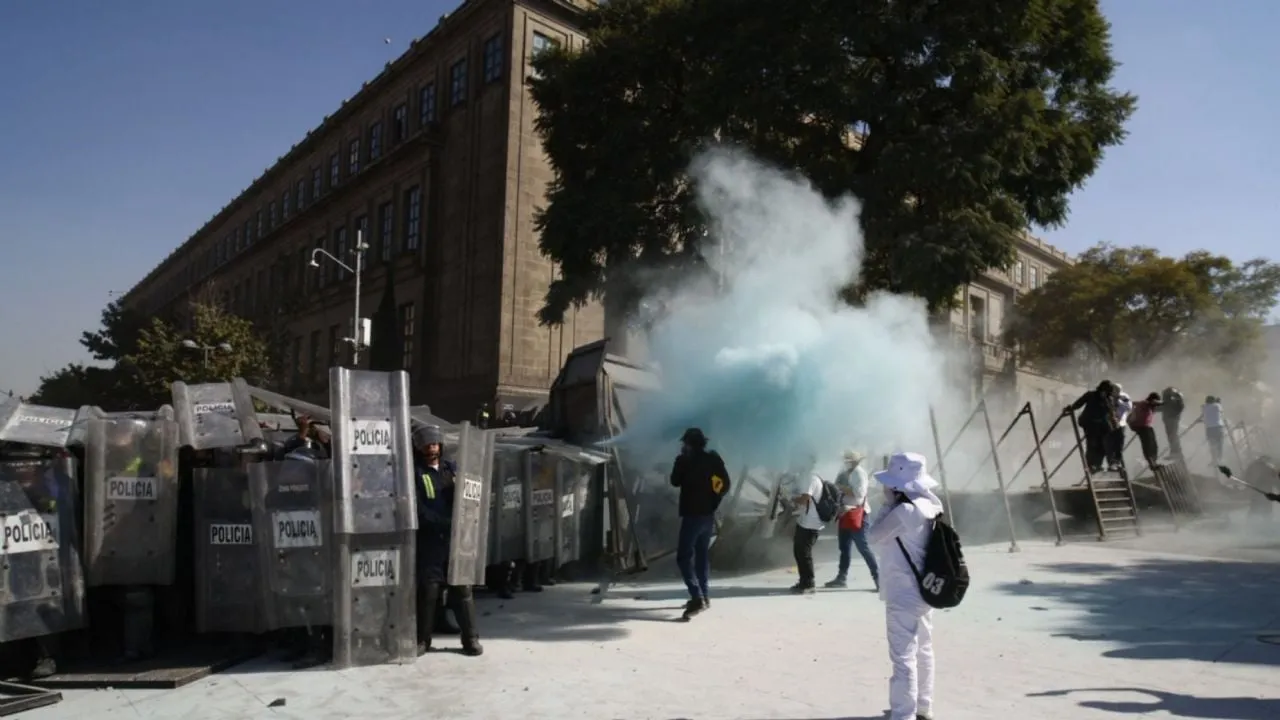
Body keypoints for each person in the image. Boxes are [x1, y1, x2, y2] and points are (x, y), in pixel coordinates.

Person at [866, 451, 944, 720]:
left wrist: (887, 506)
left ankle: (903, 714)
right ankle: (923, 706)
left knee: (903, 657)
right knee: (924, 650)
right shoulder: (931, 504)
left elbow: (874, 536)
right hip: (924, 588)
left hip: (903, 591)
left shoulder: (906, 511)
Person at [411, 425, 482, 656]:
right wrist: (443, 523)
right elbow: (418, 509)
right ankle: (423, 640)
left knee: (462, 589)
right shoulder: (416, 473)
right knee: (429, 591)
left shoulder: (451, 470)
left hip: (456, 541)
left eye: (435, 443)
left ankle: (470, 639)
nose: (432, 447)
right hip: (430, 540)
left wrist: (464, 522)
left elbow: (468, 496)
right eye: (427, 443)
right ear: (420, 447)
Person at [669, 428, 730, 618]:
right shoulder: (713, 459)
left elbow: (674, 481)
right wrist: (714, 501)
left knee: (683, 557)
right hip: (708, 516)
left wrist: (679, 461)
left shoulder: (684, 461)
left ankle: (697, 597)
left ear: (688, 444)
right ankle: (704, 595)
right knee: (702, 555)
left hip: (692, 516)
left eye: (684, 444)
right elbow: (725, 484)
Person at [825, 450, 879, 590]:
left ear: (855, 461)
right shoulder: (844, 473)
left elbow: (859, 495)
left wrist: (840, 487)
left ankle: (879, 578)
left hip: (857, 513)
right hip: (845, 512)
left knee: (863, 548)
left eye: (848, 460)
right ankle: (841, 578)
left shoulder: (859, 474)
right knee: (844, 548)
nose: (845, 462)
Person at [1066, 380, 1119, 474]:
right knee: (1092, 444)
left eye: (1107, 393)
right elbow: (1079, 403)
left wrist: (1114, 422)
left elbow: (1111, 412)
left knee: (1103, 445)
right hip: (1089, 422)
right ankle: (1091, 465)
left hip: (1101, 424)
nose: (1104, 394)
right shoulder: (1090, 395)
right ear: (1100, 390)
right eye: (1104, 392)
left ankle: (1098, 465)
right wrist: (1071, 408)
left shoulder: (1108, 399)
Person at [790, 472, 827, 594]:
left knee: (804, 553)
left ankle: (809, 583)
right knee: (799, 552)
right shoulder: (811, 477)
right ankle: (804, 581)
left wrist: (792, 499)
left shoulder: (811, 479)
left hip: (810, 522)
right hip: (806, 521)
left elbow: (805, 498)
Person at [1127, 392, 1163, 468]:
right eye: (1155, 401)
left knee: (1154, 445)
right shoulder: (1144, 404)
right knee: (1148, 445)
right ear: (1152, 400)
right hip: (1141, 427)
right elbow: (1134, 403)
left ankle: (1154, 462)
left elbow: (1159, 405)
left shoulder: (1150, 406)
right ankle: (1152, 463)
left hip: (1146, 426)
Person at [1107, 388, 1132, 472]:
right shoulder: (1108, 397)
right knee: (1110, 444)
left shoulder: (1124, 396)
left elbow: (1129, 407)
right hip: (1110, 424)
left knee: (1119, 444)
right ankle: (1111, 463)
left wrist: (1119, 402)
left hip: (1121, 424)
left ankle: (1117, 462)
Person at [1161, 387, 1185, 458]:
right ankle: (1175, 452)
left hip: (1171, 420)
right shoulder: (1175, 400)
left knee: (1172, 436)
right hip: (1171, 420)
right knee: (1172, 436)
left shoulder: (1171, 401)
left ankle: (1176, 452)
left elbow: (1160, 407)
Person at [1202, 396, 1226, 467]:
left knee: (1212, 445)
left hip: (1210, 429)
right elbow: (1221, 410)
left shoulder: (1204, 407)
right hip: (1218, 427)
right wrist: (1218, 402)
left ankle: (1214, 460)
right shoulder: (1217, 406)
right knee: (1220, 444)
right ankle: (1219, 459)